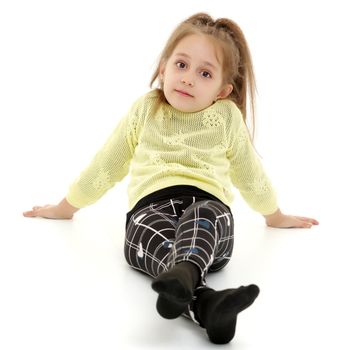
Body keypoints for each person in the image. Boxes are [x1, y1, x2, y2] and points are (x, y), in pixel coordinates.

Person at [23, 13, 319, 344]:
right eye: (181, 65)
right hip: (150, 212)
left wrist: (275, 215)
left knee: (206, 214)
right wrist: (67, 206)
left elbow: (250, 175)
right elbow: (109, 162)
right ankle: (207, 304)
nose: (188, 78)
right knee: (150, 229)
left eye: (204, 73)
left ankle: (185, 272)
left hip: (210, 221)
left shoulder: (226, 118)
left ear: (223, 90)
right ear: (163, 68)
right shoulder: (146, 108)